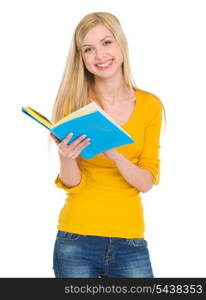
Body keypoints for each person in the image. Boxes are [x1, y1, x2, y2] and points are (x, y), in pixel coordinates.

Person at [49, 11, 166, 278]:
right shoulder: (73, 105)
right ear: (81, 58)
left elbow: (146, 182)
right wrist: (66, 157)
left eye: (106, 42)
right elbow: (72, 184)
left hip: (130, 241)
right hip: (76, 238)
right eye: (88, 49)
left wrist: (114, 153)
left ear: (121, 44)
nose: (100, 55)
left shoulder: (150, 106)